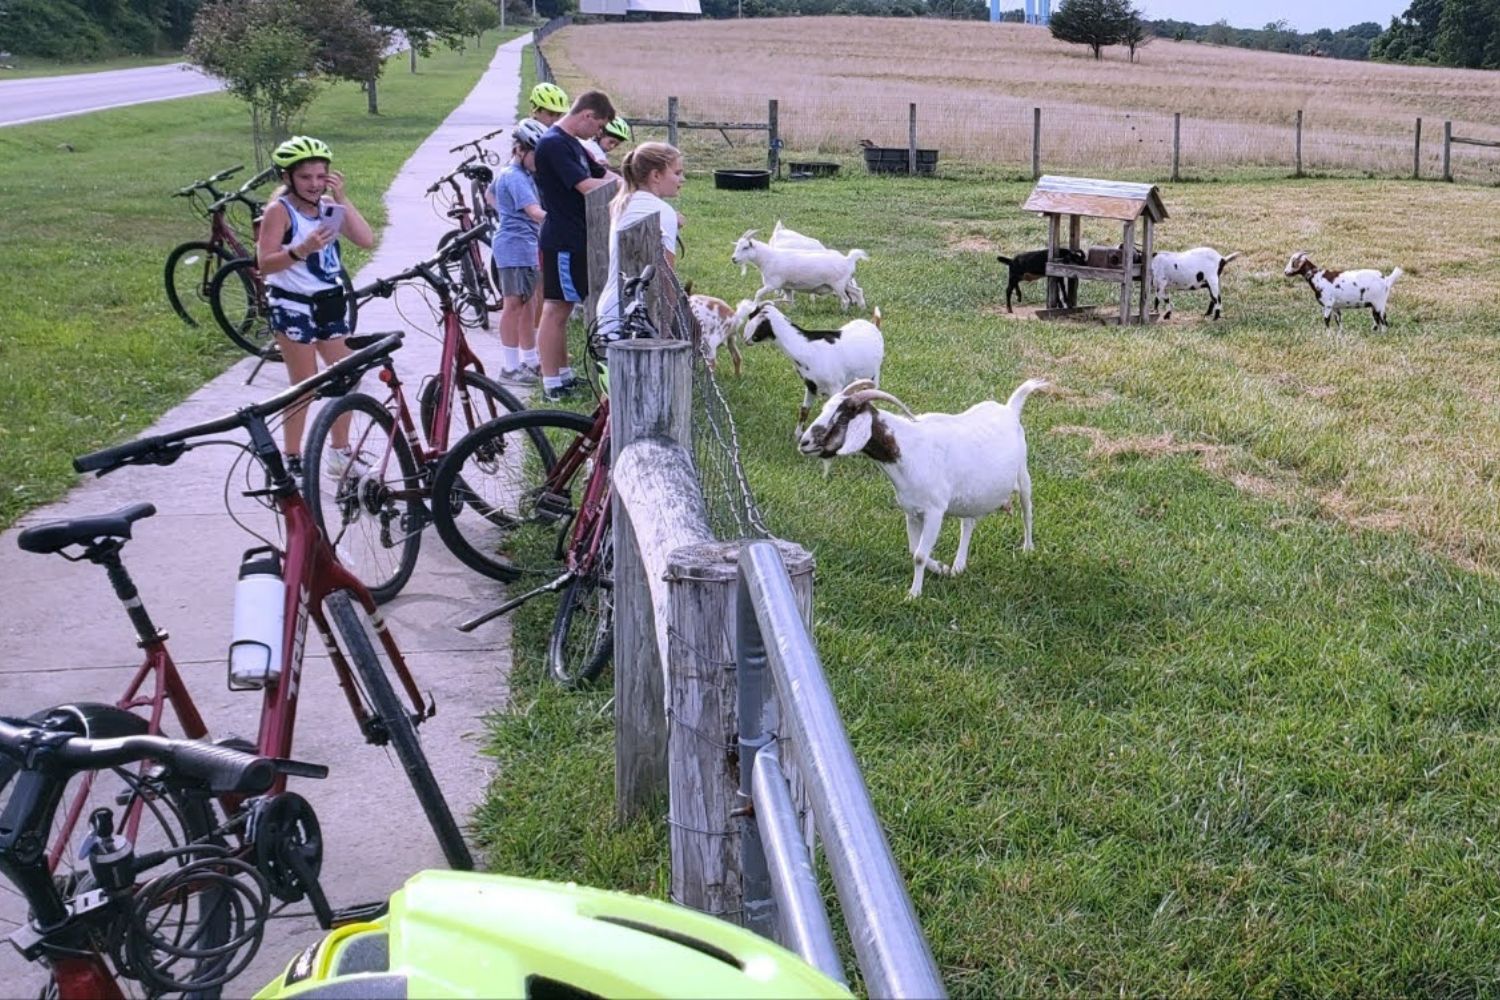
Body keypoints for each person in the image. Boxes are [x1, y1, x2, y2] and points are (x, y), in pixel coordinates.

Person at [255, 135, 375, 479]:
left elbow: (366, 240)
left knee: (346, 378)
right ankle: (291, 456)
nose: (313, 184)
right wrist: (299, 250)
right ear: (287, 178)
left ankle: (340, 453)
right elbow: (264, 263)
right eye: (305, 177)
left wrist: (342, 199)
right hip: (293, 306)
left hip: (329, 301)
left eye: (321, 176)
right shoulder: (279, 211)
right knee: (304, 385)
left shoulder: (328, 206)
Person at [532, 89, 617, 401]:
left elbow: (602, 173)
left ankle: (564, 375)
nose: (597, 133)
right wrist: (622, 186)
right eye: (598, 127)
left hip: (575, 237)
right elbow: (586, 185)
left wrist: (623, 180)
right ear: (587, 116)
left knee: (564, 309)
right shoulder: (554, 144)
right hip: (563, 240)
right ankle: (551, 383)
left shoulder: (573, 144)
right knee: (555, 309)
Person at [593, 142, 683, 343]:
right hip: (642, 318)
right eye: (677, 173)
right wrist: (669, 326)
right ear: (656, 175)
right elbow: (666, 275)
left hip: (609, 310)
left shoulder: (621, 203)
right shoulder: (663, 211)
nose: (682, 179)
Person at [487, 118, 548, 383]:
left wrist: (506, 213)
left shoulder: (515, 174)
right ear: (520, 150)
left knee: (528, 304)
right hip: (515, 246)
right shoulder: (516, 177)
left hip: (524, 245)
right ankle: (510, 368)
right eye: (536, 155)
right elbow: (535, 213)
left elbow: (490, 196)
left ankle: (530, 360)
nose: (540, 161)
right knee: (513, 305)